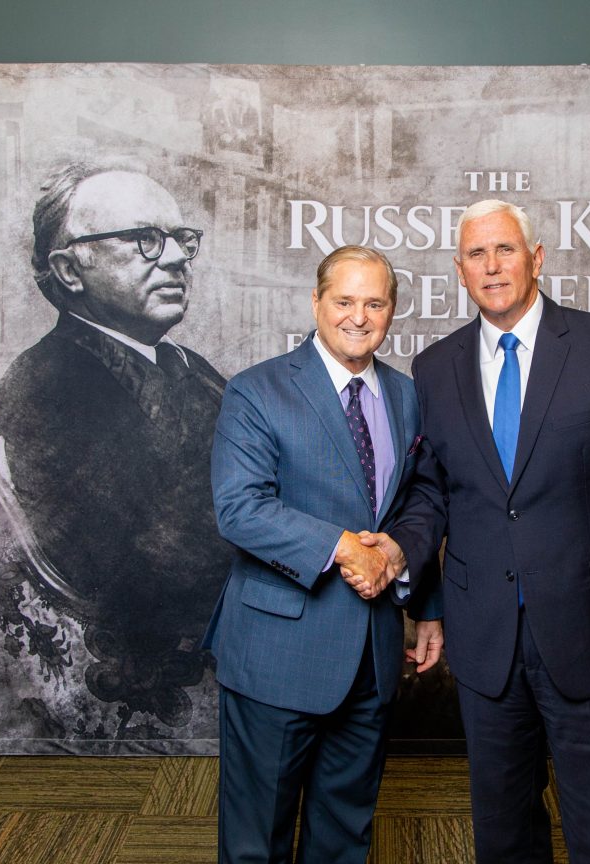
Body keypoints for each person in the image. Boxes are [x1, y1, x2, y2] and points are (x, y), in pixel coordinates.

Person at [384, 200, 590, 864]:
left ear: (536, 258)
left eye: (506, 250)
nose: (492, 266)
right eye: (476, 254)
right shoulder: (434, 368)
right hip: (485, 640)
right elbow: (432, 494)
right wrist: (427, 603)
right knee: (504, 835)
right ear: (460, 270)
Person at [204, 246, 443, 864]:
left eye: (374, 303)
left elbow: (423, 498)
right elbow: (240, 509)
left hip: (372, 655)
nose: (358, 317)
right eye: (344, 301)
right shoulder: (257, 390)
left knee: (344, 836)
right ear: (316, 303)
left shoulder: (407, 395)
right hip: (276, 653)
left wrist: (407, 570)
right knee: (257, 844)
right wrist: (343, 548)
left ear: (392, 310)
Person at [0, 164, 230, 724]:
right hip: (164, 667)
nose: (175, 258)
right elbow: (132, 562)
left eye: (181, 239)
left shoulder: (190, 368)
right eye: (145, 238)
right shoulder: (45, 384)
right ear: (69, 269)